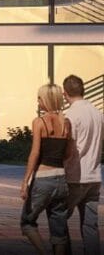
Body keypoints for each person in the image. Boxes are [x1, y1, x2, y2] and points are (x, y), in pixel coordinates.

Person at [25, 82, 81, 253]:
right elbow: (69, 153)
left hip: (43, 178)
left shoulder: (39, 122)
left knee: (27, 223)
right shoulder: (67, 123)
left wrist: (25, 180)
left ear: (47, 100)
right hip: (61, 180)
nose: (38, 101)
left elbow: (34, 153)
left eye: (39, 98)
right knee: (59, 232)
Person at [67, 76, 104, 254]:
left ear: (64, 93)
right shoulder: (98, 113)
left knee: (58, 219)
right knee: (90, 225)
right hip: (95, 176)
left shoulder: (71, 115)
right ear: (83, 90)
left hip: (75, 176)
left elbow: (69, 148)